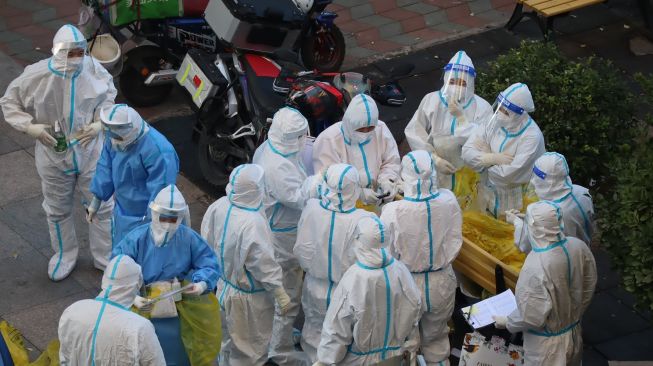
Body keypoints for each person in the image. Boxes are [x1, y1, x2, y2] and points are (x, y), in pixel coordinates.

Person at [0, 24, 116, 281]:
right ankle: (65, 254)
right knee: (57, 208)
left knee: (101, 205)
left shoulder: (93, 69)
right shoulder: (36, 76)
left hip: (90, 149)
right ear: (57, 51)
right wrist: (30, 127)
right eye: (70, 52)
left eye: (80, 52)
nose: (76, 58)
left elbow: (108, 94)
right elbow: (9, 102)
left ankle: (105, 256)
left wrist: (100, 122)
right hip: (53, 152)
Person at [113, 184, 220, 366]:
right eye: (164, 217)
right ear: (154, 214)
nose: (168, 224)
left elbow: (208, 262)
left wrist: (201, 283)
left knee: (178, 348)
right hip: (143, 302)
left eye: (174, 219)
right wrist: (131, 297)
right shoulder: (136, 239)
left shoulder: (188, 238)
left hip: (179, 305)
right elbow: (116, 269)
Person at [201, 164, 291, 366]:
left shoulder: (220, 205)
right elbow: (263, 264)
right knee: (250, 353)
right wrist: (279, 291)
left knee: (225, 345)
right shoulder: (252, 222)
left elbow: (205, 242)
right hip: (248, 301)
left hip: (223, 288)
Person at [252, 106, 321, 365]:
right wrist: (319, 183)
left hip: (278, 230)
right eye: (301, 136)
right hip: (283, 238)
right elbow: (297, 197)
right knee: (287, 295)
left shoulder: (269, 149)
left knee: (277, 293)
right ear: (291, 138)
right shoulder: (277, 166)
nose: (305, 140)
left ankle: (277, 335)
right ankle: (279, 352)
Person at [380, 150, 462, 366]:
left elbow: (387, 254)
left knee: (407, 342)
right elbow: (454, 237)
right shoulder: (449, 200)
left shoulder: (393, 211)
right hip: (441, 282)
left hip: (408, 283)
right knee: (437, 339)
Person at [493, 201, 597, 365]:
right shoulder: (578, 246)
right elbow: (589, 285)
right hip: (574, 332)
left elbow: (531, 317)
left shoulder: (535, 267)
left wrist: (508, 322)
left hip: (546, 349)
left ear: (535, 228)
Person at [312, 216, 423, 366]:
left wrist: (325, 360)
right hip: (394, 358)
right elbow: (415, 309)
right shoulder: (401, 271)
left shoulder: (354, 278)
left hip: (359, 361)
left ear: (360, 242)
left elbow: (337, 329)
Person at [293, 163, 370, 361]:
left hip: (314, 286)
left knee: (312, 334)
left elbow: (307, 190)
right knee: (340, 342)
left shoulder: (311, 208)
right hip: (344, 293)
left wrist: (321, 176)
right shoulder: (363, 219)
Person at [88, 103, 179, 243]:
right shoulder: (115, 137)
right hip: (123, 213)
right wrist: (96, 199)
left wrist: (157, 230)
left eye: (116, 137)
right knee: (122, 254)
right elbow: (105, 166)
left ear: (130, 132)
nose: (113, 141)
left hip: (148, 220)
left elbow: (162, 194)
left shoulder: (160, 152)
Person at [404, 51, 493, 192]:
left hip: (470, 174)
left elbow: (484, 142)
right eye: (452, 81)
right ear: (445, 79)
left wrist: (461, 118)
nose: (456, 87)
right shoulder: (431, 100)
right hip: (435, 171)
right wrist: (434, 159)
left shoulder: (482, 108)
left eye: (462, 83)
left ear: (470, 83)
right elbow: (415, 131)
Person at [58, 254, 166, 365]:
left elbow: (65, 358)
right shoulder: (140, 328)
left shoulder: (72, 311)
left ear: (104, 280)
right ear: (137, 284)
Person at [462, 82, 545, 218]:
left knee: (509, 228)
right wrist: (491, 158)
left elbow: (508, 175)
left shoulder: (531, 137)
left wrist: (483, 157)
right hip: (485, 190)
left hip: (515, 198)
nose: (499, 113)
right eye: (499, 108)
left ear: (519, 114)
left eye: (505, 112)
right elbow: (467, 152)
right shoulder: (493, 121)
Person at [312, 94, 401, 207]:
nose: (365, 132)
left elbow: (391, 161)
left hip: (377, 200)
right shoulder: (328, 140)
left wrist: (387, 180)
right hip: (343, 206)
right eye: (360, 129)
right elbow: (327, 181)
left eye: (370, 128)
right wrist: (357, 193)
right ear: (349, 122)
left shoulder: (380, 129)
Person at [506, 152, 594, 252]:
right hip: (583, 251)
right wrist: (526, 217)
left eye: (538, 177)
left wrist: (517, 222)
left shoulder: (552, 212)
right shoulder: (581, 193)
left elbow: (528, 245)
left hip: (560, 261)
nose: (533, 181)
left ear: (549, 181)